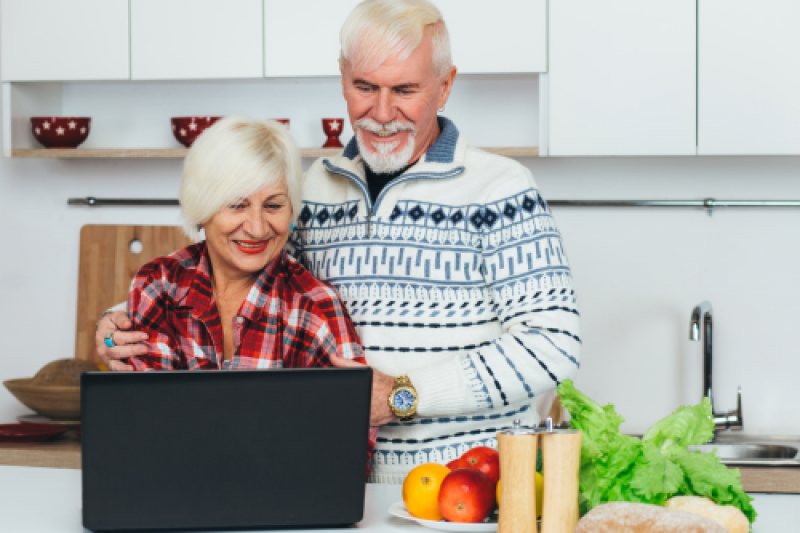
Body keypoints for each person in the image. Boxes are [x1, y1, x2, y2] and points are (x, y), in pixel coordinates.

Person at [96, 0, 580, 483]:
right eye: (364, 87)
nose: (382, 112)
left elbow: (554, 345)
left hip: (473, 486)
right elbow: (246, 277)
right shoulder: (316, 188)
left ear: (445, 86)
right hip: (345, 491)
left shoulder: (502, 190)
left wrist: (402, 396)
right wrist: (123, 318)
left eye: (405, 90)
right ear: (342, 78)